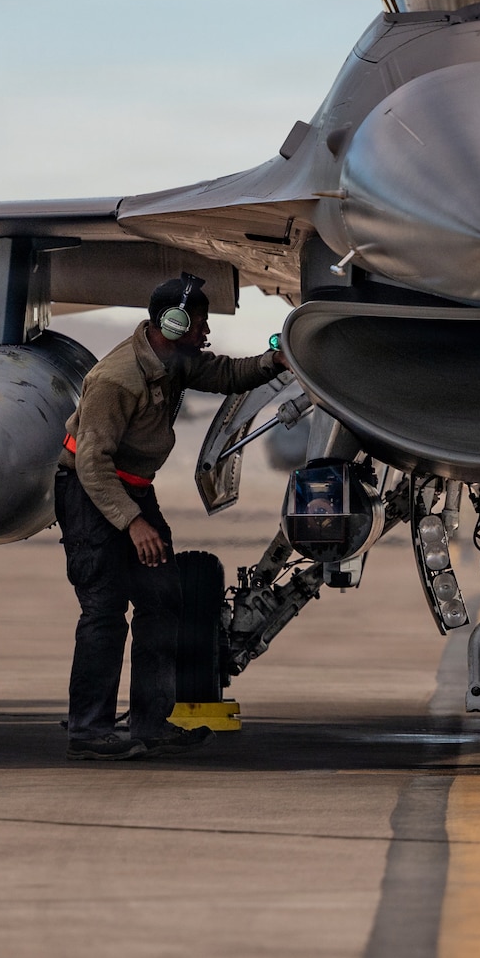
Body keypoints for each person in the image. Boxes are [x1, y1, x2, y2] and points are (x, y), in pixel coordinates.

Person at [55, 275, 286, 761]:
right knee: (104, 610)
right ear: (174, 322)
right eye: (199, 320)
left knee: (163, 600)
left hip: (134, 490)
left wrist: (277, 360)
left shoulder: (174, 361)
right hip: (91, 494)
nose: (205, 330)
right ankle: (89, 730)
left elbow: (225, 374)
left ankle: (152, 722)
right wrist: (133, 524)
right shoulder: (118, 378)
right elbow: (92, 464)